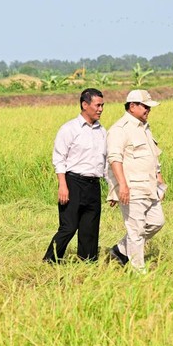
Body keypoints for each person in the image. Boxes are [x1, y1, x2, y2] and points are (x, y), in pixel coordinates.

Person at [43, 88, 106, 264]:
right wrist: (62, 185)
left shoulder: (102, 131)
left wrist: (113, 188)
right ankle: (50, 260)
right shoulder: (69, 129)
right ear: (85, 105)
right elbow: (59, 158)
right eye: (97, 105)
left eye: (102, 105)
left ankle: (88, 263)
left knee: (90, 228)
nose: (100, 109)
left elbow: (106, 162)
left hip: (94, 184)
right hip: (73, 182)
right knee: (69, 227)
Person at [106, 90, 166, 274]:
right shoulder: (119, 129)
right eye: (145, 106)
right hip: (132, 188)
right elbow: (114, 159)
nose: (148, 109)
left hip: (150, 186)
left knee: (157, 222)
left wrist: (160, 180)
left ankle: (120, 250)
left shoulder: (144, 127)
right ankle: (138, 272)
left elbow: (153, 157)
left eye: (149, 106)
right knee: (136, 231)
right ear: (132, 106)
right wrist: (121, 186)